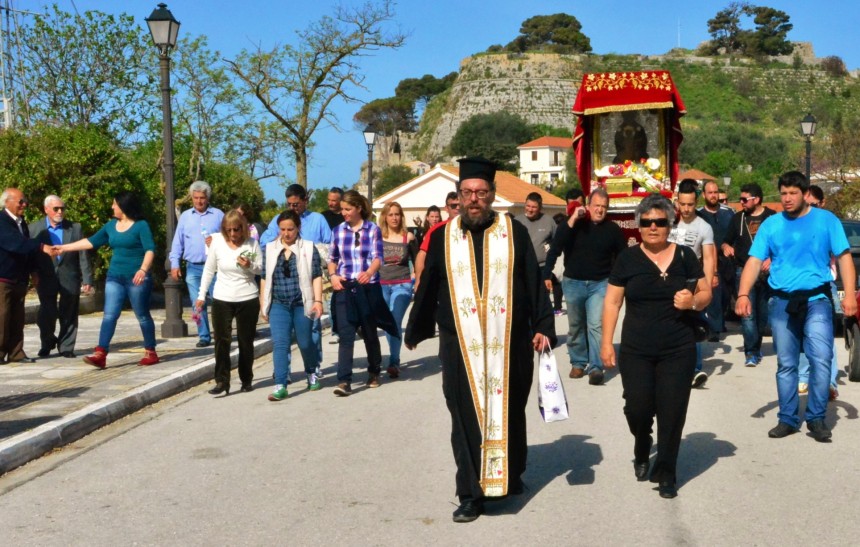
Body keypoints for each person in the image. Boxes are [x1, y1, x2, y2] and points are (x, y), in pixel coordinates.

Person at [405, 157, 556, 523]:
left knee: (510, 410)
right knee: (464, 417)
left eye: (481, 193)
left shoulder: (514, 231)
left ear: (491, 196)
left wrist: (543, 325)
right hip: (460, 344)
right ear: (459, 196)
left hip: (511, 342)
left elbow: (532, 281)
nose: (474, 199)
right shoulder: (443, 235)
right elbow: (429, 285)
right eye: (468, 193)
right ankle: (470, 494)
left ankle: (511, 474)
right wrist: (416, 328)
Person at [601, 193, 711, 499]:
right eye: (647, 222)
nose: (653, 227)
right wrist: (606, 343)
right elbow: (612, 301)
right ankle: (641, 443)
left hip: (678, 347)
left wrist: (692, 302)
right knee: (638, 408)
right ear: (638, 226)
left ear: (670, 224)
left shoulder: (686, 256)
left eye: (660, 222)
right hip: (636, 349)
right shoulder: (628, 258)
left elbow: (705, 294)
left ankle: (666, 471)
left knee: (672, 410)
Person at [737, 172, 856, 442]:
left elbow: (845, 258)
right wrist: (743, 293)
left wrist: (849, 295)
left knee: (821, 357)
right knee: (787, 363)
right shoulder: (771, 225)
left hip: (817, 300)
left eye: (792, 193)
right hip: (781, 301)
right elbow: (755, 261)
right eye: (783, 193)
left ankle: (815, 417)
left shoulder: (827, 221)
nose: (787, 198)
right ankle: (788, 419)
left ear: (804, 194)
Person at [57, 191, 159, 368]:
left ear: (124, 206)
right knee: (110, 314)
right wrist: (63, 248)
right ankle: (101, 353)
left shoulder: (141, 226)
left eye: (115, 204)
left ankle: (151, 351)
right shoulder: (111, 225)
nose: (112, 207)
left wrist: (143, 269)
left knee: (142, 315)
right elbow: (90, 241)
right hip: (115, 277)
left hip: (137, 278)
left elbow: (150, 249)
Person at [544, 187, 625, 385]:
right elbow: (557, 245)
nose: (600, 210)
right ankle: (579, 362)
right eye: (596, 206)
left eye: (604, 207)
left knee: (596, 325)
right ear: (588, 206)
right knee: (576, 325)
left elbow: (623, 257)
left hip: (600, 283)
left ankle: (596, 367)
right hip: (574, 282)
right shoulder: (573, 225)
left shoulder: (613, 230)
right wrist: (573, 218)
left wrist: (621, 281)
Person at [328, 190, 398, 396]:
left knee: (369, 331)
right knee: (346, 332)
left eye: (348, 209)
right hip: (344, 286)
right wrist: (333, 276)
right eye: (342, 209)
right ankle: (343, 381)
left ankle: (374, 371)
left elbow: (378, 257)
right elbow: (332, 258)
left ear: (358, 208)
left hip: (367, 287)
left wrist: (369, 272)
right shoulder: (338, 231)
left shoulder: (372, 229)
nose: (344, 213)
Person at [260, 184, 332, 376]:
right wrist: (279, 237)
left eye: (296, 204)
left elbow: (329, 246)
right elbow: (264, 242)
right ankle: (283, 372)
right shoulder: (279, 220)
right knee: (281, 339)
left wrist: (314, 250)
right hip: (282, 287)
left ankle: (313, 366)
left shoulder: (317, 220)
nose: (293, 208)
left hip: (308, 284)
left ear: (305, 201)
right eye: (289, 204)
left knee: (309, 334)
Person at [196, 210, 262, 396]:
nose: (233, 234)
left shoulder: (252, 243)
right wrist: (201, 296)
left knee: (245, 341)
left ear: (243, 228)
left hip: (247, 297)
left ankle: (246, 379)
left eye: (236, 230)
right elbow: (209, 270)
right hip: (222, 297)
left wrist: (249, 265)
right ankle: (222, 381)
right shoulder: (217, 242)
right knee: (221, 340)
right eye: (229, 230)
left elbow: (260, 270)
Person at [260, 210, 324, 400]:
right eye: (282, 229)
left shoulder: (309, 248)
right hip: (279, 303)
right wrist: (263, 303)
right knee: (281, 343)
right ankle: (280, 384)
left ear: (298, 228)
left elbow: (316, 276)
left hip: (301, 302)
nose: (286, 234)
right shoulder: (270, 249)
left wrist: (318, 301)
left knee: (305, 342)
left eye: (290, 229)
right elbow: (264, 277)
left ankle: (311, 372)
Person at [29, 195, 93, 358]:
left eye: (62, 208)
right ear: (46, 209)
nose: (60, 212)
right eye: (56, 208)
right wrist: (33, 272)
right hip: (45, 276)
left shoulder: (75, 228)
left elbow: (83, 254)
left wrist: (87, 278)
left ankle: (66, 347)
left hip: (69, 275)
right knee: (46, 312)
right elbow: (30, 254)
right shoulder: (35, 229)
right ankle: (47, 342)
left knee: (69, 312)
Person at [722, 183, 776, 367]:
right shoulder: (738, 219)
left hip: (766, 272)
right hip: (743, 269)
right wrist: (726, 247)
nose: (741, 203)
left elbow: (780, 245)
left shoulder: (772, 218)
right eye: (740, 199)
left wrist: (773, 259)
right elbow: (725, 241)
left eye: (745, 199)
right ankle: (751, 352)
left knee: (763, 313)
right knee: (748, 313)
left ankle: (757, 344)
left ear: (757, 199)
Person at [668, 179, 716, 388]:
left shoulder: (704, 227)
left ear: (696, 202)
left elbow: (708, 258)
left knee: (692, 323)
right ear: (676, 201)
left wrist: (704, 286)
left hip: (692, 279)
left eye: (690, 204)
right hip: (669, 280)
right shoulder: (669, 223)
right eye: (683, 204)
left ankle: (695, 369)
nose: (686, 209)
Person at [0, 188, 54, 364]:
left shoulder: (21, 222)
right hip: (4, 278)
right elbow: (15, 244)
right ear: (7, 202)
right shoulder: (1, 221)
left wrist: (34, 271)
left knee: (17, 317)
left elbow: (26, 251)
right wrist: (41, 247)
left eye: (25, 202)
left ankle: (16, 352)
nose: (25, 205)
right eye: (21, 201)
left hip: (19, 278)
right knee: (2, 316)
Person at [169, 181, 224, 348]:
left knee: (219, 302)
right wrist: (174, 263)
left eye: (202, 198)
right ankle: (204, 335)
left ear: (208, 198)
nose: (199, 201)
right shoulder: (185, 216)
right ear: (192, 198)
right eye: (196, 198)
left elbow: (230, 238)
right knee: (196, 303)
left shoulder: (218, 215)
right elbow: (177, 242)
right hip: (193, 266)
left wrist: (216, 239)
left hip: (214, 267)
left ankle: (221, 333)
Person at [797, 185, 840, 399]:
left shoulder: (829, 222)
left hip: (825, 285)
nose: (810, 208)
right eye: (807, 204)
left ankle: (829, 382)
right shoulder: (798, 223)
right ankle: (804, 378)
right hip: (800, 286)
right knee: (804, 335)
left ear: (822, 203)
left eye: (814, 204)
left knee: (825, 337)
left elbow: (839, 252)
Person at [379, 201, 417, 378]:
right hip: (381, 285)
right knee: (386, 323)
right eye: (391, 214)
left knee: (394, 320)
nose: (394, 217)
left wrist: (417, 280)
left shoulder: (408, 237)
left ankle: (394, 360)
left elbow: (418, 261)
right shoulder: (377, 237)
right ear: (385, 217)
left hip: (402, 284)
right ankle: (393, 356)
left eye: (397, 214)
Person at [697, 180, 735, 341]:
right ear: (704, 195)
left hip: (728, 260)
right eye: (710, 193)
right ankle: (714, 329)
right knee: (715, 293)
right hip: (708, 259)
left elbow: (735, 234)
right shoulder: (699, 214)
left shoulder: (729, 213)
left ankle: (721, 320)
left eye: (715, 192)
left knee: (726, 294)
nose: (713, 196)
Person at [515, 192, 562, 315]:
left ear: (540, 208)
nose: (530, 210)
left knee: (541, 302)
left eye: (534, 207)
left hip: (542, 268)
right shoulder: (517, 221)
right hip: (522, 268)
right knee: (524, 301)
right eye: (528, 206)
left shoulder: (548, 221)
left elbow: (557, 242)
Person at [413, 193, 460, 291]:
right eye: (454, 206)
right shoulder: (437, 229)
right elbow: (422, 255)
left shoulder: (472, 228)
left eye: (460, 205)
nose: (457, 208)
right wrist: (418, 280)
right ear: (446, 208)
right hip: (442, 280)